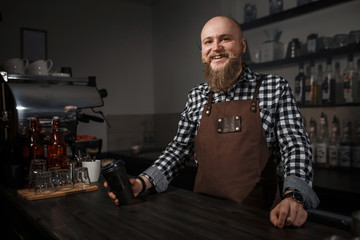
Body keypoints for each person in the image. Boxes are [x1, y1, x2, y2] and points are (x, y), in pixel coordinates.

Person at [105, 16, 319, 228]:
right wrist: (141, 183)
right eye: (208, 42)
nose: (216, 48)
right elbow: (178, 150)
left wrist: (293, 197)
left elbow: (295, 145)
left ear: (242, 45)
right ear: (202, 52)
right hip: (204, 218)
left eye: (225, 39)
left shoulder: (274, 87)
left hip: (261, 219)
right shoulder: (197, 96)